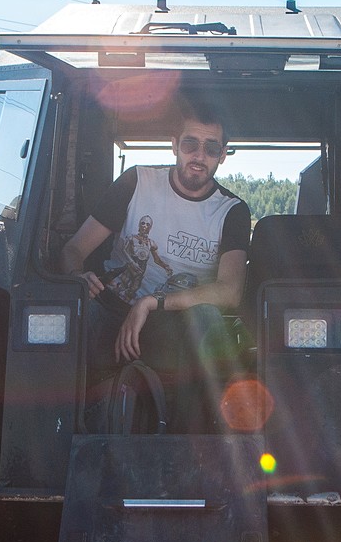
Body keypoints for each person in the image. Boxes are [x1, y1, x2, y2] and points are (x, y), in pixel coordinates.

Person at [59, 102, 251, 371]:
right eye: (190, 144)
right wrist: (76, 276)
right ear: (174, 145)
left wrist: (151, 303)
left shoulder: (231, 211)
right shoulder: (137, 182)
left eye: (211, 148)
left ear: (222, 156)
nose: (199, 156)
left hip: (177, 324)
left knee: (207, 318)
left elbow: (230, 291)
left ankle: (190, 413)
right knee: (67, 317)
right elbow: (74, 250)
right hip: (111, 309)